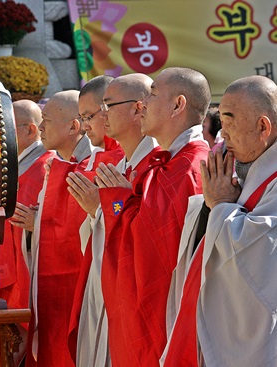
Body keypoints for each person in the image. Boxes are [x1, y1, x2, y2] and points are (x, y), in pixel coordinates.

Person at [96, 67, 210, 366]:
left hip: (163, 316)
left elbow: (154, 248)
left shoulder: (191, 167)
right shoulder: (172, 162)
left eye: (153, 95)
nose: (143, 104)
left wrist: (116, 202)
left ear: (178, 105)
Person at [162, 75, 277, 366]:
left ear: (263, 127)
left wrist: (222, 207)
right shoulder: (248, 169)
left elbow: (262, 255)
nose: (222, 135)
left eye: (229, 121)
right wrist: (213, 204)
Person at [12, 84, 123, 367]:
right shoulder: (64, 166)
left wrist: (40, 224)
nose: (42, 127)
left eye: (46, 121)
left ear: (72, 127)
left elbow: (89, 224)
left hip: (83, 284)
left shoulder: (97, 164)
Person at [66, 73, 158, 367]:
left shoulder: (158, 165)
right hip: (105, 282)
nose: (100, 118)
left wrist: (103, 209)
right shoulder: (120, 165)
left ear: (138, 108)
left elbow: (152, 239)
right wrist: (97, 212)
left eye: (107, 106)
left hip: (134, 295)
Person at [0, 99, 57, 365]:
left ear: (31, 130)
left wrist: (38, 222)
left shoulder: (46, 167)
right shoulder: (17, 165)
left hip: (25, 275)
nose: (0, 135)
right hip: (8, 271)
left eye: (6, 128)